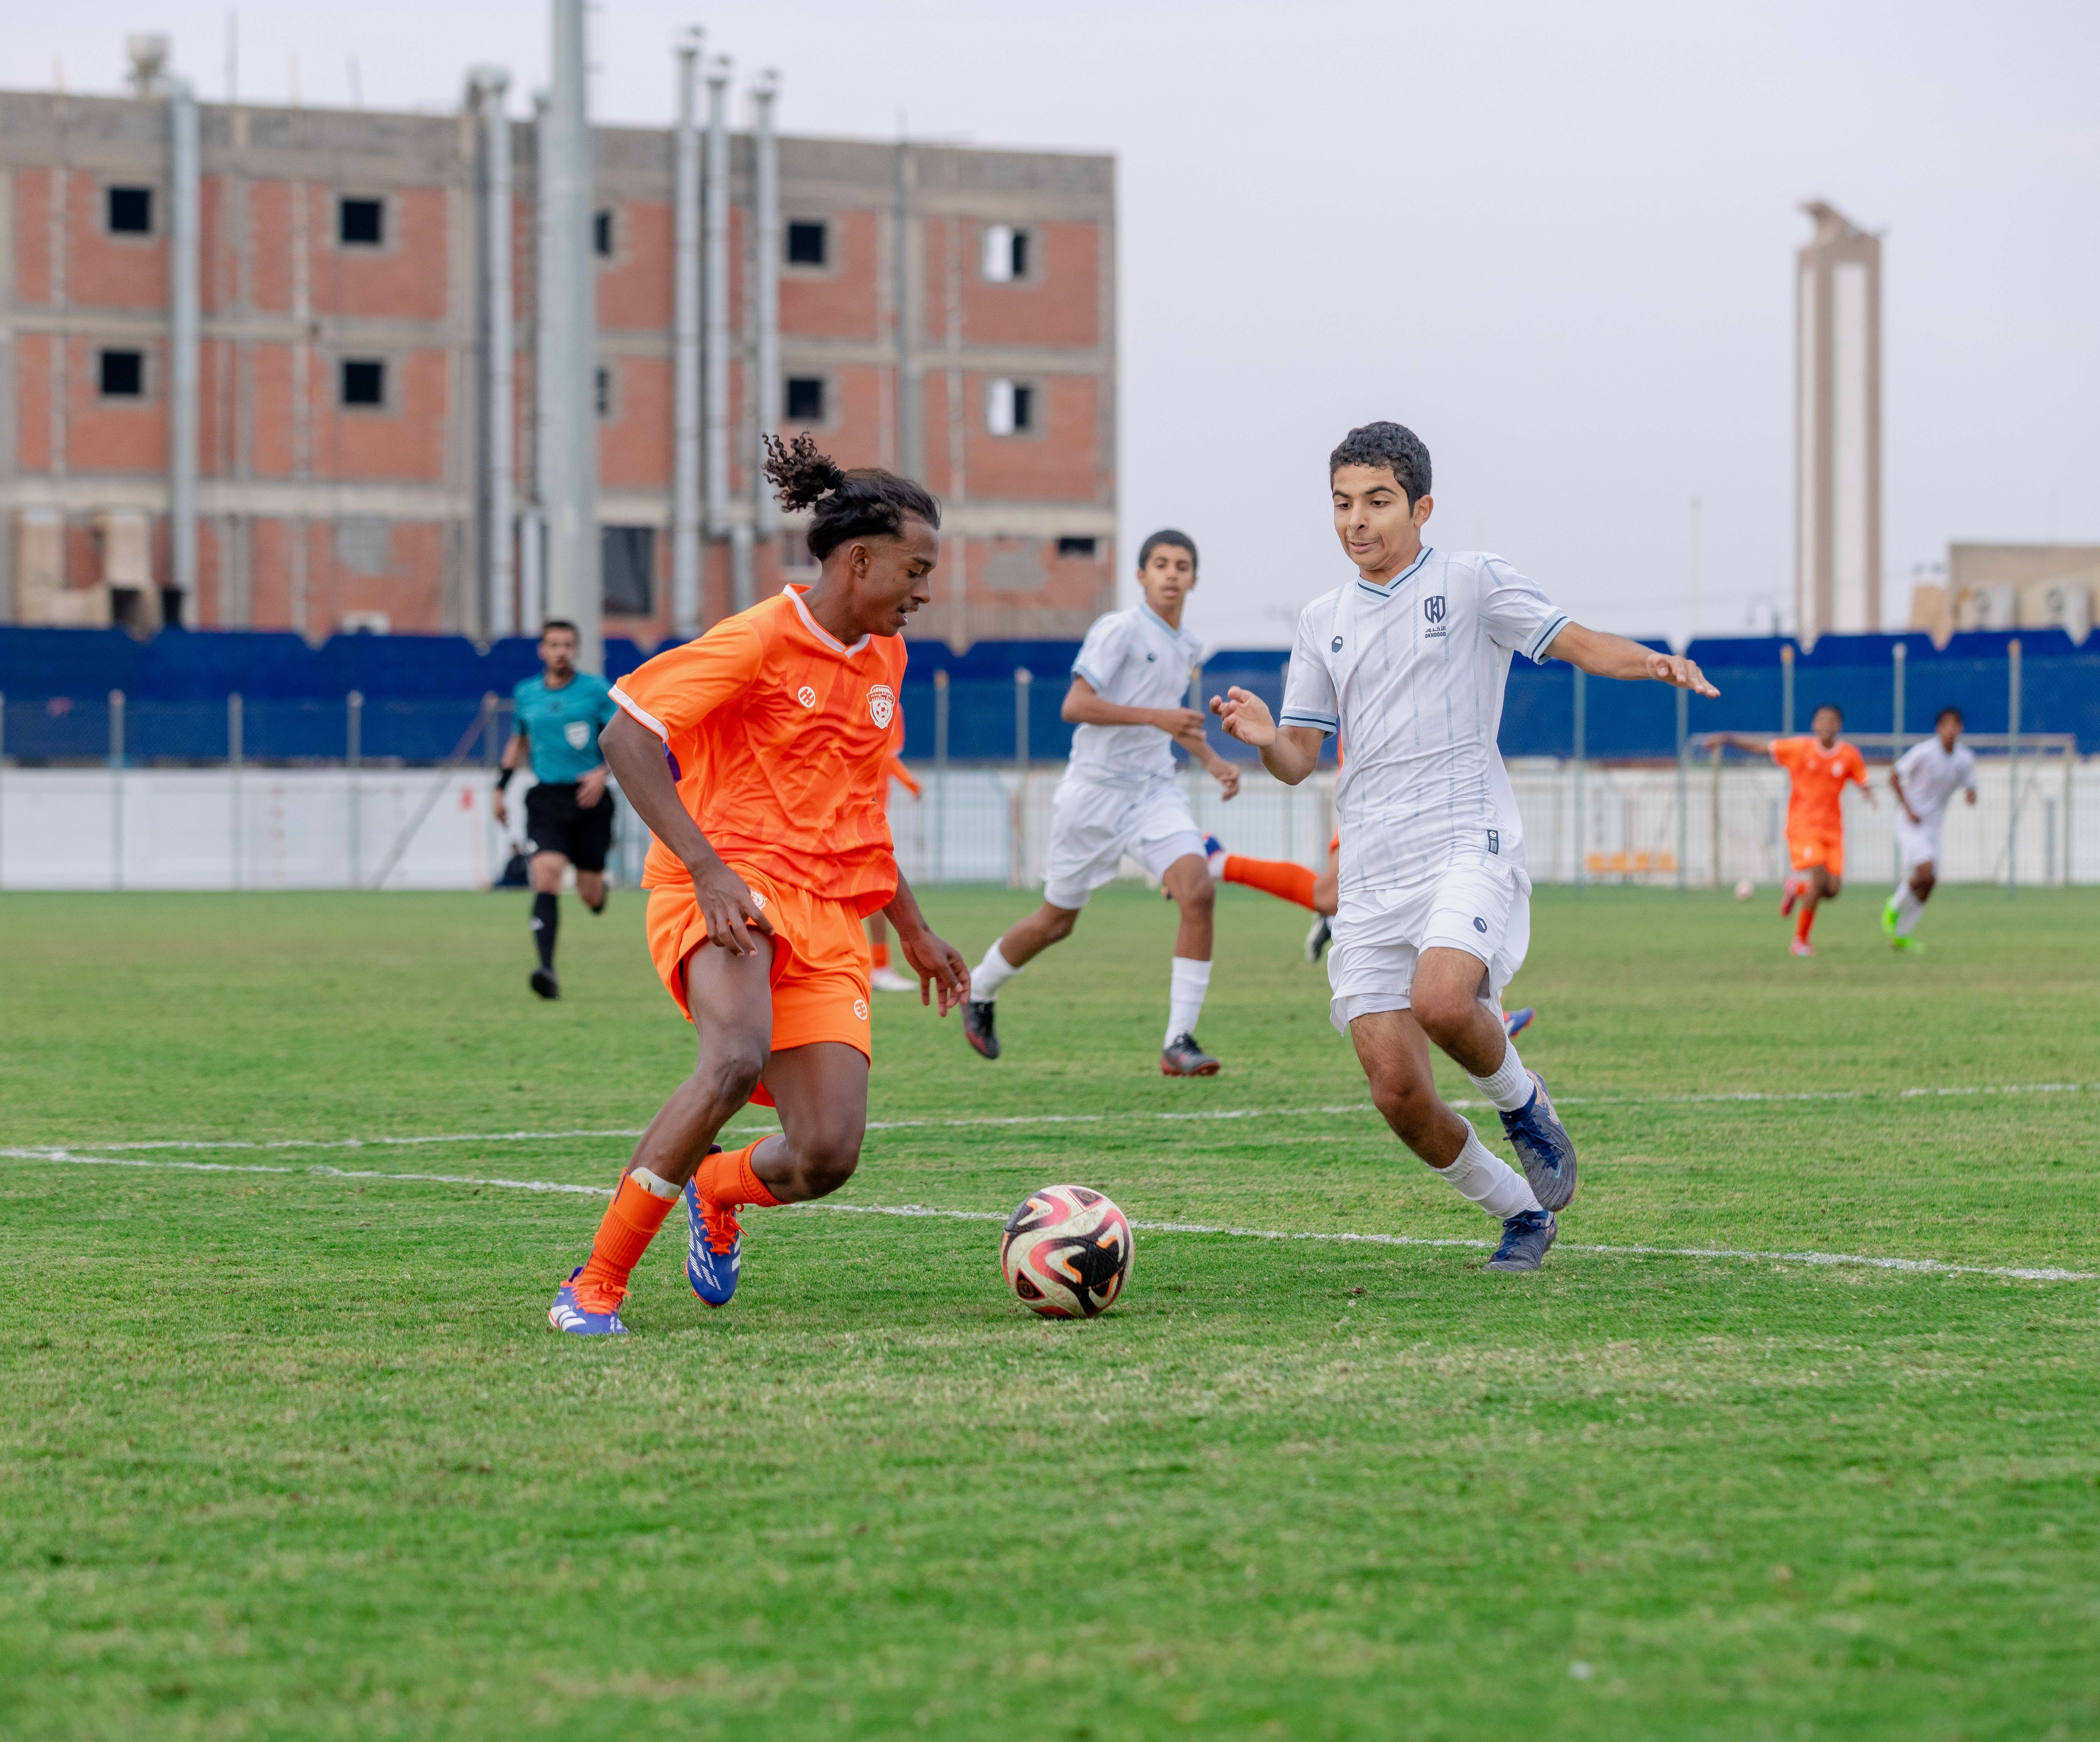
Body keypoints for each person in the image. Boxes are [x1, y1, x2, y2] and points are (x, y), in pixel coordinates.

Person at [1212, 421, 1717, 1272]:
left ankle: (1524, 1106)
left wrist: (1653, 662)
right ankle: (1522, 1214)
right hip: (1373, 868)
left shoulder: (1471, 580)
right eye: (1341, 504)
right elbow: (1299, 760)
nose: (1356, 522)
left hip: (1464, 840)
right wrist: (1264, 736)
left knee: (1446, 1002)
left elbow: (1581, 642)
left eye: (1377, 501)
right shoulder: (1321, 619)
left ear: (1421, 506)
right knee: (1399, 1093)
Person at [548, 435, 968, 1336]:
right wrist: (706, 870)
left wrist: (915, 928)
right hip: (726, 889)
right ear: (859, 561)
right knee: (733, 1059)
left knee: (826, 1154)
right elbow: (626, 738)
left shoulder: (885, 662)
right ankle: (593, 1286)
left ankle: (717, 1186)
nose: (925, 592)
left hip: (827, 912)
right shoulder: (758, 638)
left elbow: (860, 811)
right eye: (916, 569)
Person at [962, 529, 1243, 1076]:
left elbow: (1171, 718)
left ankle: (1178, 1041)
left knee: (1198, 892)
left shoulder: (1187, 645)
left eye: (1181, 566)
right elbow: (1076, 704)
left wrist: (1213, 761)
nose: (1170, 574)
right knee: (1055, 922)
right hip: (1093, 793)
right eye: (1160, 564)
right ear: (1141, 575)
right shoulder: (1118, 629)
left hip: (1153, 791)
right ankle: (980, 987)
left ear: (1193, 579)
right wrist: (1158, 718)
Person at [1209, 832, 1536, 1035]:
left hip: (1413, 786)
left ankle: (1489, 1012)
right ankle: (1220, 862)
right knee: (1331, 894)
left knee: (1445, 892)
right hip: (1375, 778)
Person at [494, 619, 619, 1000]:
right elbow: (518, 743)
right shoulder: (526, 694)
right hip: (547, 799)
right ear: (542, 651)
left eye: (567, 644)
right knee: (546, 875)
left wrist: (602, 774)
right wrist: (499, 789)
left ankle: (598, 894)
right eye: (553, 644)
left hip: (590, 800)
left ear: (575, 649)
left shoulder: (596, 690)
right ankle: (546, 970)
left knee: (589, 894)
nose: (560, 651)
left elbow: (624, 737)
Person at [1718, 705, 1871, 957]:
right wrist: (1728, 739)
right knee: (1820, 880)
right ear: (1813, 725)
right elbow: (1762, 749)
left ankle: (1796, 889)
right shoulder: (1801, 749)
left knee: (1832, 890)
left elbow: (1862, 778)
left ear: (1840, 726)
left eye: (1832, 721)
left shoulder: (1849, 755)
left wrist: (1868, 792)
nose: (1827, 725)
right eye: (1821, 720)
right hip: (1803, 827)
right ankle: (1800, 942)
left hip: (1833, 832)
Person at [1883, 706, 1976, 951]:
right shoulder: (1923, 752)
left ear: (1961, 729)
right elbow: (1893, 776)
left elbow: (1971, 785)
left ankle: (1902, 935)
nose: (1950, 730)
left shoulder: (1965, 758)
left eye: (1955, 725)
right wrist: (1908, 808)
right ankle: (1893, 907)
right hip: (1910, 822)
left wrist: (1971, 795)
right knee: (1925, 873)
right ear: (1938, 729)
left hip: (1935, 827)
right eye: (1946, 725)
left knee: (1930, 882)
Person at [869, 756, 923, 991]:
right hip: (862, 828)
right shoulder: (876, 742)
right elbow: (886, 757)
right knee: (878, 892)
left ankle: (878, 967)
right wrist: (912, 784)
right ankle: (880, 968)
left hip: (861, 825)